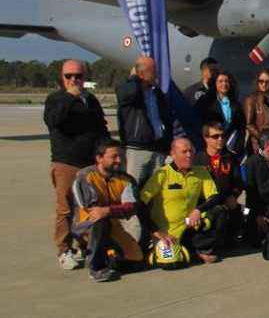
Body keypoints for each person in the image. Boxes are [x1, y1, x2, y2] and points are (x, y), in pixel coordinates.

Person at [44, 59, 109, 269]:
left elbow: (101, 128)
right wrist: (69, 99)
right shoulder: (56, 99)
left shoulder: (90, 100)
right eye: (69, 76)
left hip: (89, 163)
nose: (74, 80)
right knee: (65, 209)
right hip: (65, 163)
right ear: (62, 78)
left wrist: (107, 151)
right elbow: (53, 121)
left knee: (88, 207)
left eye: (78, 76)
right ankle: (64, 250)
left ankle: (84, 245)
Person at [140, 138, 227, 264]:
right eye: (184, 152)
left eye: (191, 151)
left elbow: (214, 197)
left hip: (190, 225)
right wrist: (156, 232)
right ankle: (190, 252)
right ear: (173, 154)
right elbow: (141, 205)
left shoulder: (201, 171)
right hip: (168, 233)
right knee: (171, 264)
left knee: (219, 210)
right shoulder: (162, 174)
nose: (189, 155)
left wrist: (198, 210)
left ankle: (201, 249)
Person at [70, 139, 143, 282]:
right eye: (114, 156)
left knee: (136, 258)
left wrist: (109, 210)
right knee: (99, 221)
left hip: (112, 221)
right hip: (86, 223)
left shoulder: (126, 180)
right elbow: (92, 209)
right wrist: (112, 210)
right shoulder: (85, 176)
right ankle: (96, 268)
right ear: (99, 158)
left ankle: (109, 255)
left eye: (121, 156)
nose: (119, 160)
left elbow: (131, 207)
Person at [116, 56, 172, 241]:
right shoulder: (130, 89)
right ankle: (131, 239)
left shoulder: (156, 93)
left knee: (154, 195)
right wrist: (134, 79)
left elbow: (166, 119)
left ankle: (152, 235)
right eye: (152, 70)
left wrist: (167, 145)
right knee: (131, 193)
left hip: (156, 149)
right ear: (141, 73)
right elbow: (125, 95)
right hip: (136, 149)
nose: (156, 74)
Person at [194, 122, 244, 246]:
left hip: (227, 200)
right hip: (204, 204)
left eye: (222, 136)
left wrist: (234, 195)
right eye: (215, 136)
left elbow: (238, 182)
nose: (220, 139)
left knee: (246, 211)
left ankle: (231, 236)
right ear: (206, 138)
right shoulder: (197, 159)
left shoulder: (231, 157)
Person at [194, 71, 245, 156]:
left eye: (226, 81)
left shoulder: (235, 104)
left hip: (229, 146)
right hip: (209, 146)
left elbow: (241, 126)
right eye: (220, 81)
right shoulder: (205, 101)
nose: (224, 84)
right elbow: (196, 120)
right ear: (215, 83)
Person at [244, 69, 269, 153]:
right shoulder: (252, 99)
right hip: (259, 144)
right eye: (261, 81)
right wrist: (262, 138)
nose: (264, 84)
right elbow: (249, 124)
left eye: (267, 82)